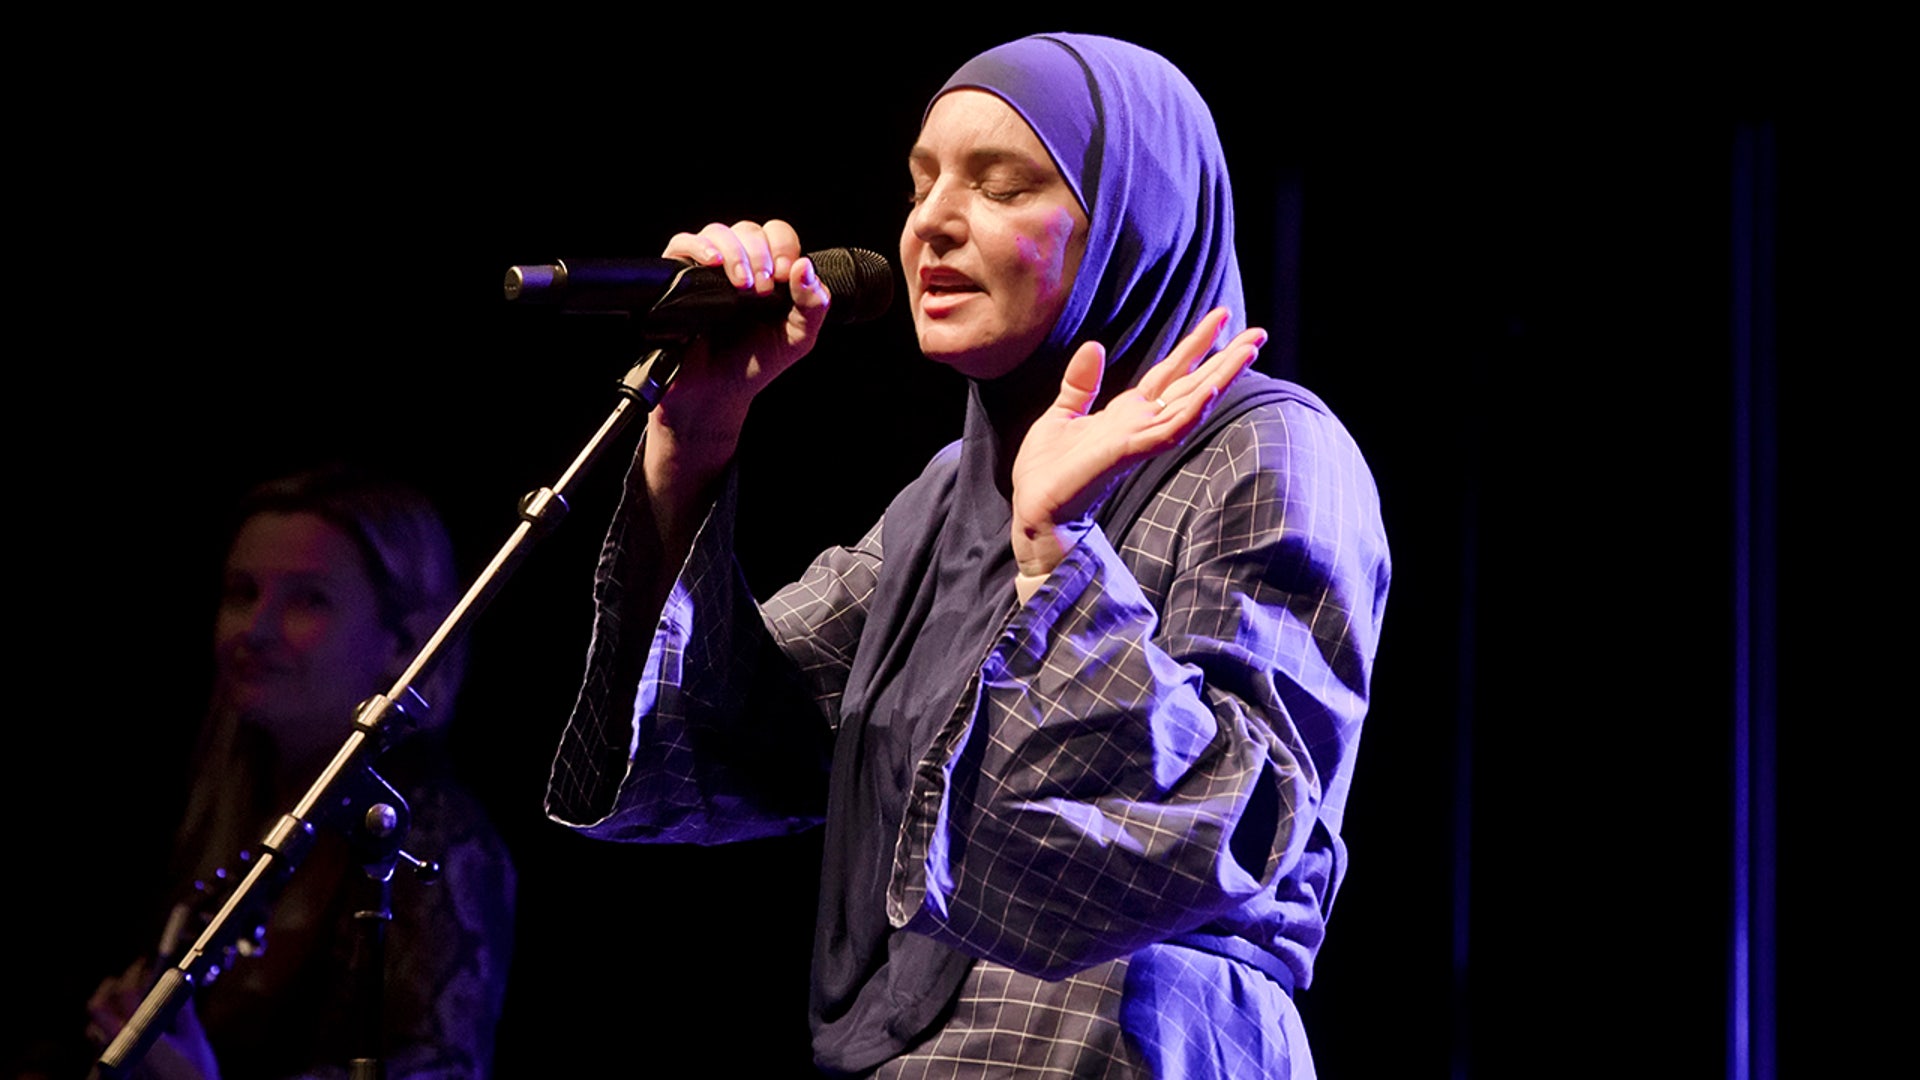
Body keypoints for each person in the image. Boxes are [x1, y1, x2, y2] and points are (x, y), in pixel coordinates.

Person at [546, 33, 1389, 1078]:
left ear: (1136, 219)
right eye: (920, 184)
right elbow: (729, 745)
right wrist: (697, 438)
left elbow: (1234, 826)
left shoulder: (1269, 449)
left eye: (1000, 185)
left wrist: (1058, 555)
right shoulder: (950, 496)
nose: (931, 223)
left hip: (1139, 1047)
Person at [88, 469, 516, 1079]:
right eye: (242, 593)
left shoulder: (431, 838)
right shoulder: (216, 806)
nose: (254, 630)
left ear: (404, 643)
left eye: (308, 599)